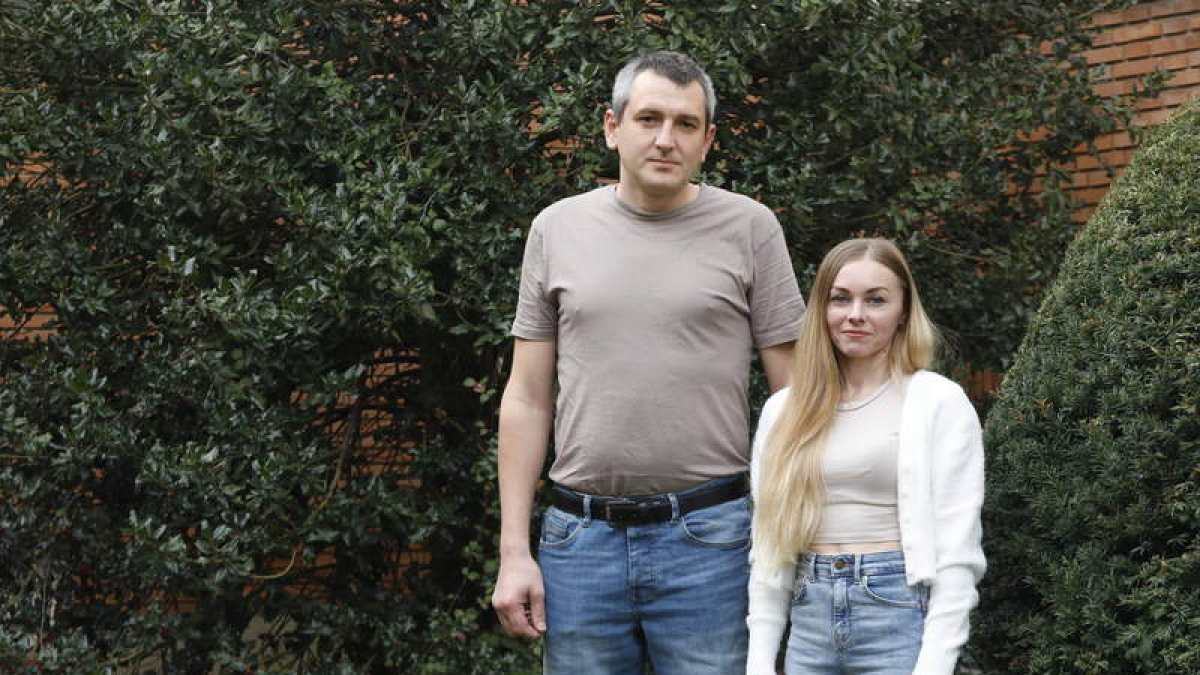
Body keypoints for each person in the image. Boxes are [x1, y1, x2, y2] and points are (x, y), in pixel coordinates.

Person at [491, 51, 805, 675]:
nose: (666, 138)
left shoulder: (751, 228)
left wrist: (794, 542)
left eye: (686, 124)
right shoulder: (556, 229)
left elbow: (793, 400)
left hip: (712, 542)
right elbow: (526, 398)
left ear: (709, 139)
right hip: (579, 547)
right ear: (612, 127)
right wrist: (513, 552)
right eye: (649, 118)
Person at [746, 238, 985, 675]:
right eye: (840, 299)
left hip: (896, 609)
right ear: (821, 309)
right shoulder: (785, 409)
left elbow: (957, 555)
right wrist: (759, 661)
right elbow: (768, 547)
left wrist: (933, 666)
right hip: (808, 615)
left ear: (903, 312)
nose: (855, 314)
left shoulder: (938, 402)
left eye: (875, 300)